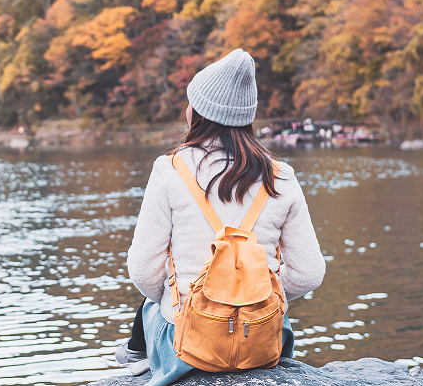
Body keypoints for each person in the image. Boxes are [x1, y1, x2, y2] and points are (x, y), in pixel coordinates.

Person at [116, 49, 326, 383]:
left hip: (189, 345)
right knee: (273, 313)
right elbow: (310, 273)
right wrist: (253, 294)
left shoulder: (169, 170)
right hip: (260, 341)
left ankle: (138, 357)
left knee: (150, 303)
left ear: (197, 112)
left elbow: (143, 270)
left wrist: (182, 299)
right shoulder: (281, 175)